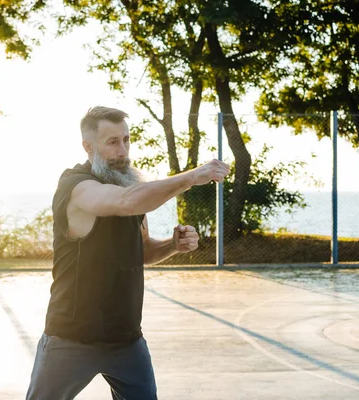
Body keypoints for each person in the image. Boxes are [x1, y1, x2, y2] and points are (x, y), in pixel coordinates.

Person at [26, 106, 230, 400]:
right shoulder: (77, 185)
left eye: (126, 140)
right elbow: (124, 202)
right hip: (70, 338)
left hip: (126, 339)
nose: (122, 151)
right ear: (88, 146)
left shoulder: (131, 185)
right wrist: (192, 176)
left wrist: (172, 245)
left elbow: (143, 251)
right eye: (112, 142)